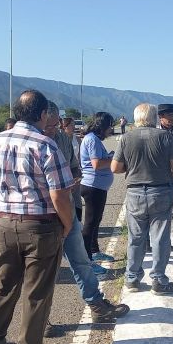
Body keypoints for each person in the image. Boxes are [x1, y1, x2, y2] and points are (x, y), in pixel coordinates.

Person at [0, 89, 74, 344]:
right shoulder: (45, 145)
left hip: (5, 222)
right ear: (43, 114)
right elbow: (60, 195)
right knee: (37, 292)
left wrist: (0, 207)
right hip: (41, 225)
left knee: (3, 284)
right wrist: (67, 225)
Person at [43, 101, 128, 335]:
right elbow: (92, 164)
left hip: (72, 202)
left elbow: (74, 168)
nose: (55, 127)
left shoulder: (68, 139)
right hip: (51, 211)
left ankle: (96, 300)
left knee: (85, 247)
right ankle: (39, 320)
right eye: (50, 123)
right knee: (43, 270)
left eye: (56, 123)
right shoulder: (87, 140)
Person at [111, 103, 173, 295]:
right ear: (154, 118)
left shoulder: (126, 138)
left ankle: (132, 278)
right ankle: (158, 280)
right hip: (160, 191)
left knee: (136, 237)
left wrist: (133, 166)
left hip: (135, 192)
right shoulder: (165, 137)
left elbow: (115, 168)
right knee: (160, 237)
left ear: (135, 118)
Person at [80, 112, 116, 266]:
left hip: (98, 186)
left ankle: (94, 252)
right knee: (90, 223)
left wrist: (108, 156)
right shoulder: (92, 140)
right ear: (102, 126)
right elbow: (97, 164)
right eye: (110, 126)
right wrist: (114, 159)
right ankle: (86, 260)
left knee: (96, 221)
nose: (111, 129)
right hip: (93, 186)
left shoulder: (93, 139)